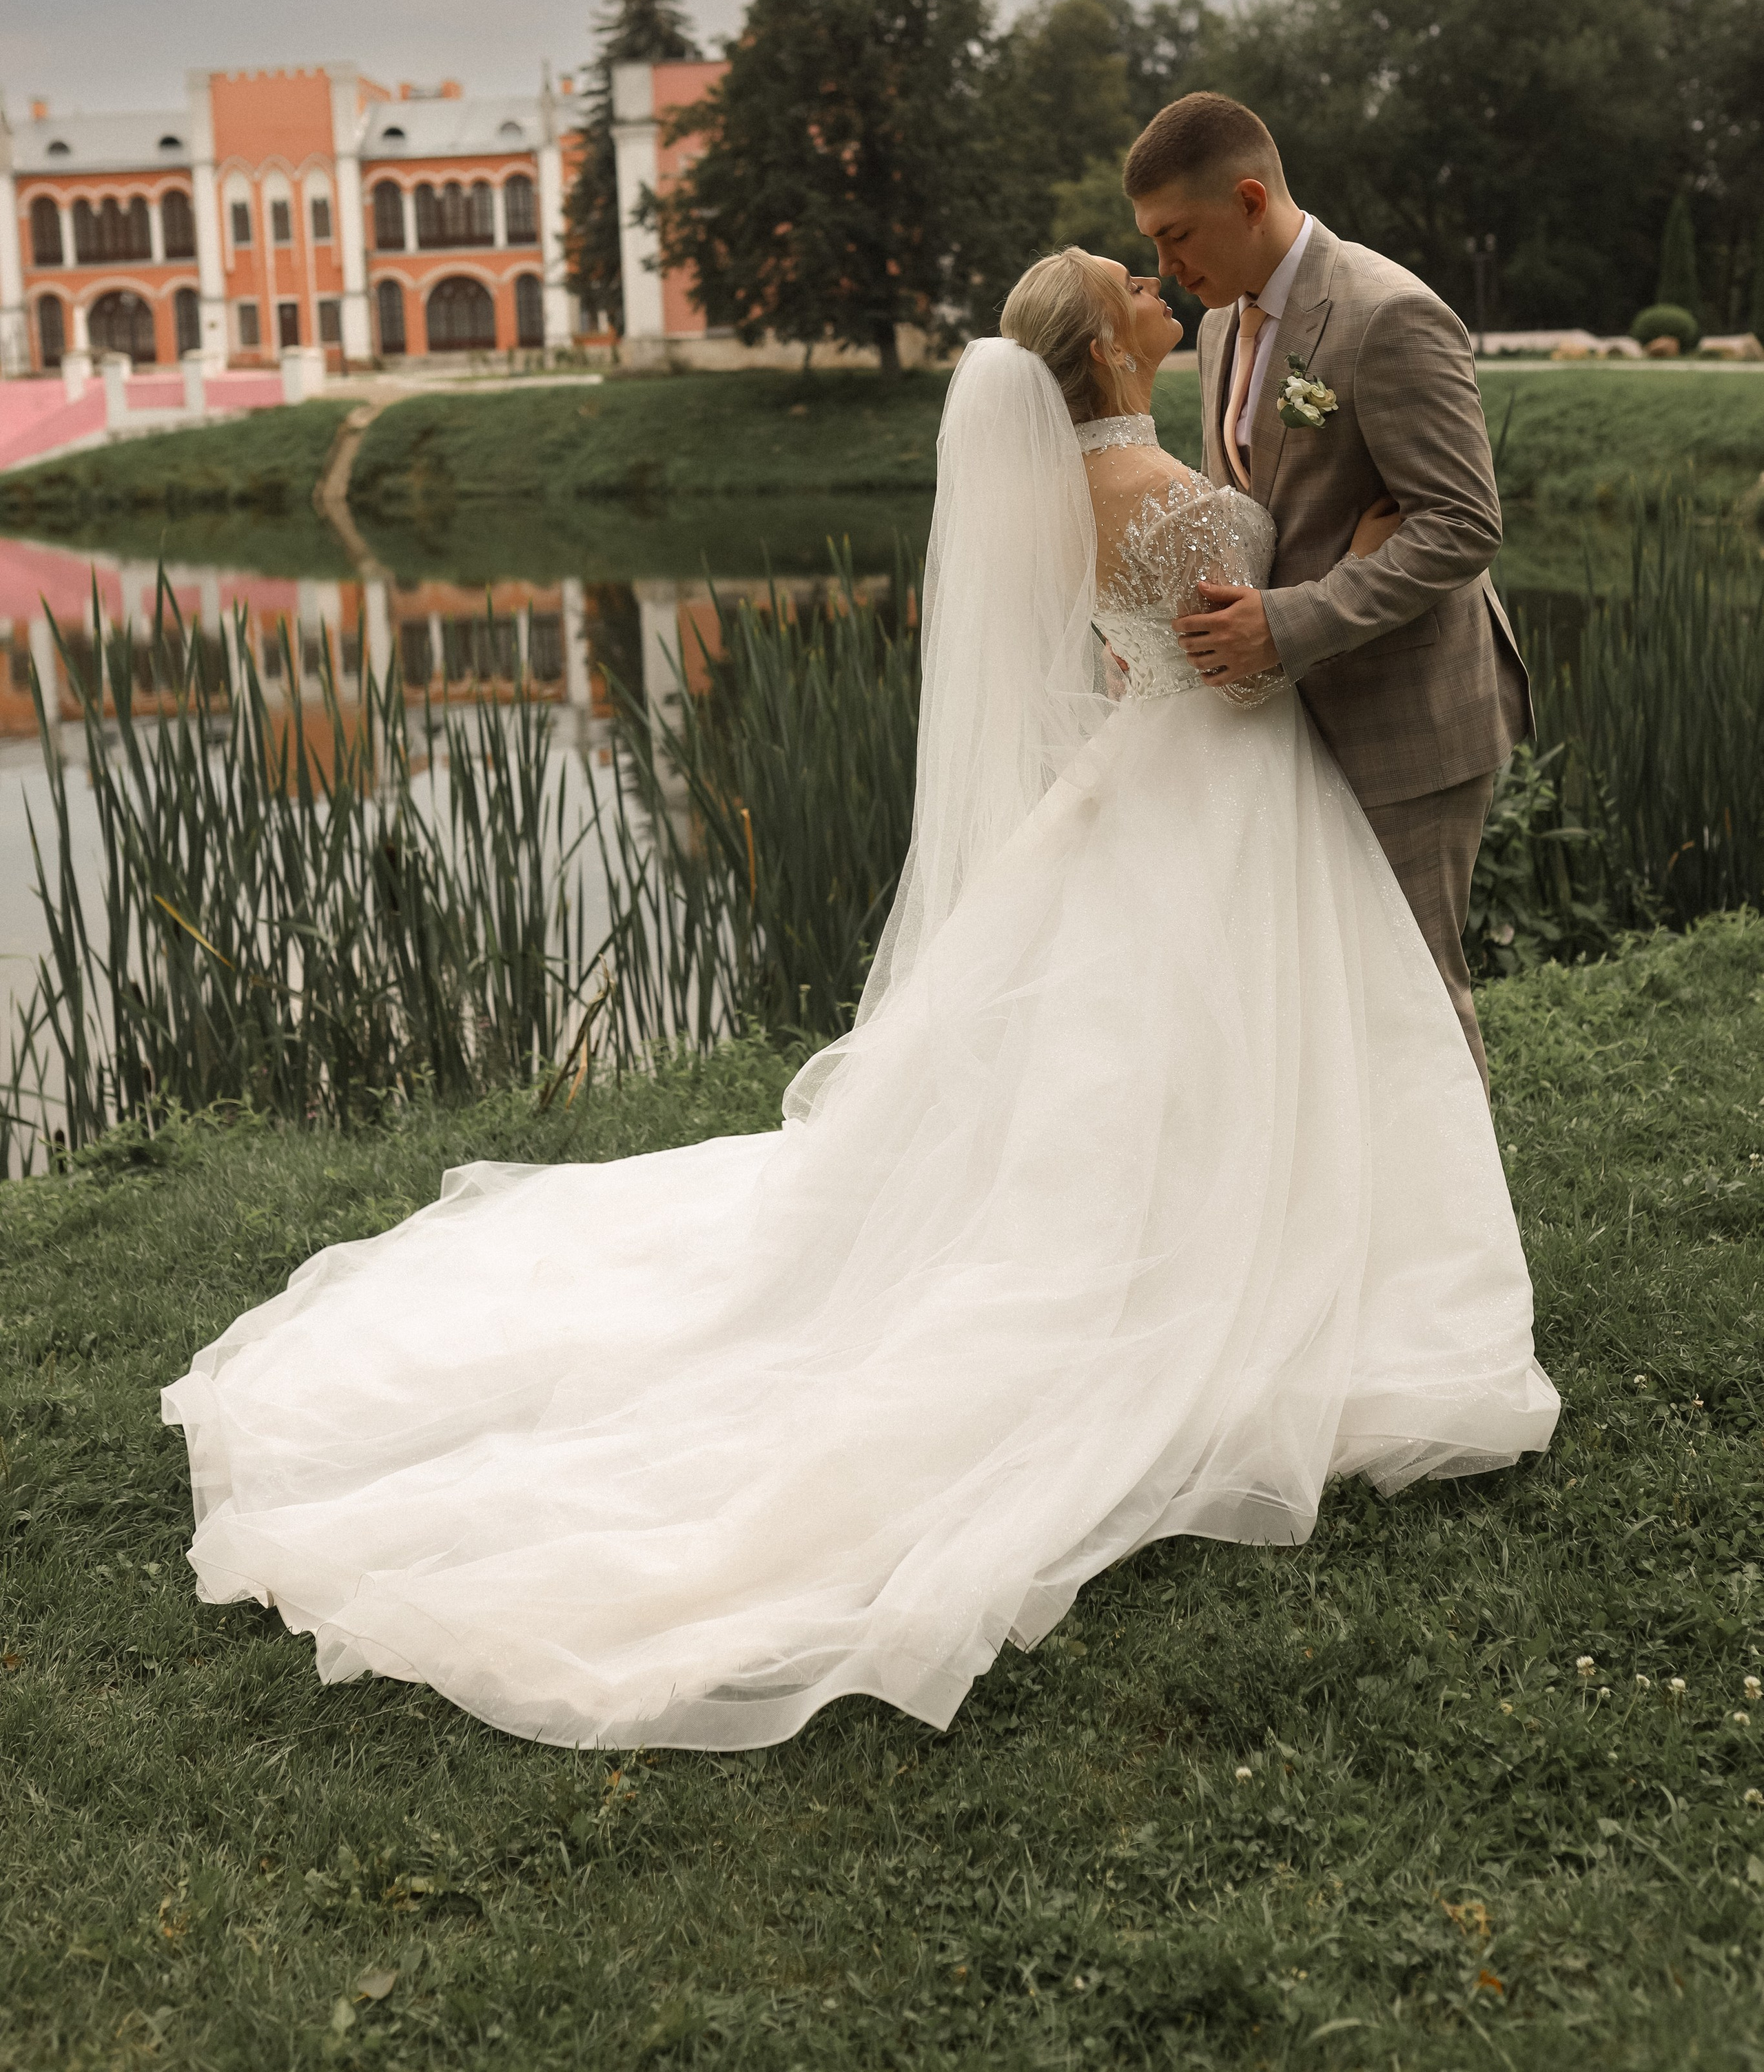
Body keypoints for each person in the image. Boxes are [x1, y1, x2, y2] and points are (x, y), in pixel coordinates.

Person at [163, 258, 1556, 1754]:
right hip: (1219, 783)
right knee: (1214, 1045)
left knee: (1131, 1063)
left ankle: (1231, 1234)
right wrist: (1321, 556)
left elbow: (1126, 642)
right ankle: (1260, 1264)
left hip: (1140, 785)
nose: (1159, 291)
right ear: (1101, 344)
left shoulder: (1061, 493)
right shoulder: (1172, 496)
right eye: (1130, 285)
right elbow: (1232, 643)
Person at [1125, 94, 1530, 1087]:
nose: (1171, 271)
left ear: (1251, 199)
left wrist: (1296, 616)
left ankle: (1462, 1238)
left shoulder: (1388, 314)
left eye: (1179, 237)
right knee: (1323, 990)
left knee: (1411, 993)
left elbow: (1465, 523)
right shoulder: (1225, 324)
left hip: (1409, 712)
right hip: (1290, 719)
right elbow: (1249, 505)